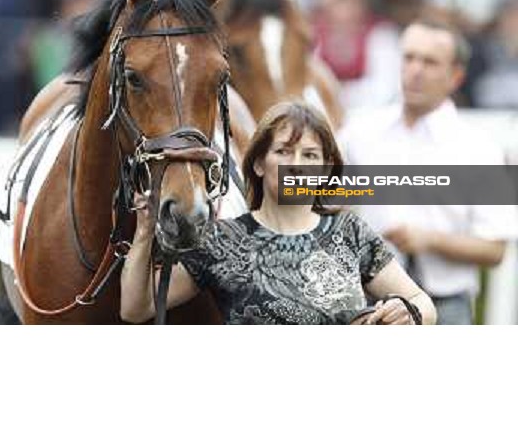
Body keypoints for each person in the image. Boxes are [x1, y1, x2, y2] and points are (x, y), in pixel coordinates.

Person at [120, 101, 436, 325]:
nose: (297, 165)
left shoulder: (350, 231)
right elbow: (136, 308)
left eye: (310, 155)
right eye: (284, 151)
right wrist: (144, 231)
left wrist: (409, 312)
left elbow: (424, 303)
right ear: (258, 164)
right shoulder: (222, 239)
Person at [338, 21, 518, 324]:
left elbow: (495, 249)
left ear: (456, 75)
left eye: (430, 62)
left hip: (446, 307)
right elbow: (312, 198)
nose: (415, 70)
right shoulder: (359, 132)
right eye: (409, 58)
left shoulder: (480, 148)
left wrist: (429, 240)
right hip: (368, 306)